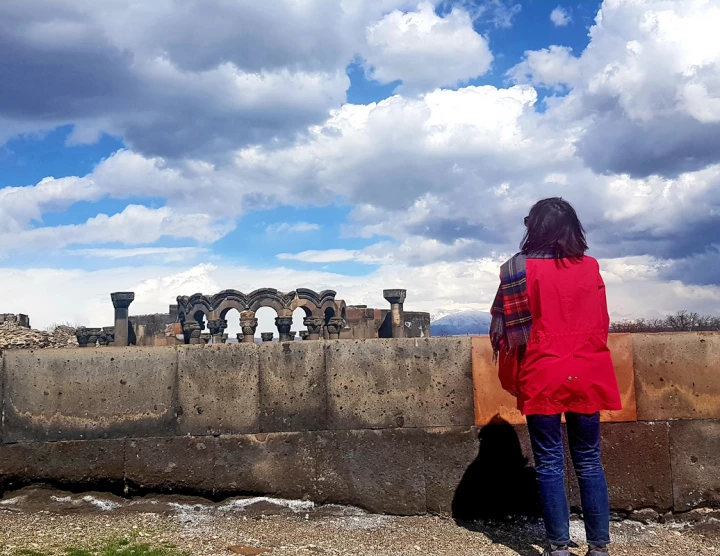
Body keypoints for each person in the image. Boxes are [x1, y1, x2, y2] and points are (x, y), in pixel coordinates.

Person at [490, 197, 622, 556]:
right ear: (572, 228)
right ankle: (598, 547)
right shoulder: (590, 267)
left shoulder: (517, 269)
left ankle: (559, 547)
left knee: (549, 462)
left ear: (534, 227)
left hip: (542, 369)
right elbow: (601, 323)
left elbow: (508, 334)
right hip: (587, 369)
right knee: (589, 460)